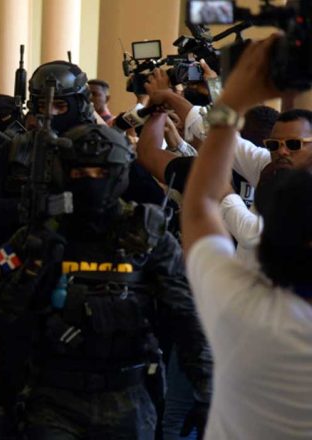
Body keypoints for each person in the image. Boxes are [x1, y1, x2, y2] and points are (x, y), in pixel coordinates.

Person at [0, 123, 212, 439]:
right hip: (52, 397)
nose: (91, 181)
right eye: (80, 172)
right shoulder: (37, 236)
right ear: (64, 173)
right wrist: (33, 269)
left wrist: (207, 390)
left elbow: (186, 318)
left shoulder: (148, 238)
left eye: (101, 172)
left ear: (119, 174)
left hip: (128, 396)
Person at [182, 33, 312, 440]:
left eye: (294, 145)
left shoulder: (239, 307)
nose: (282, 153)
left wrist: (233, 98)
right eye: (275, 145)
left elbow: (201, 204)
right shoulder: (267, 163)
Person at [0, 60, 97, 440]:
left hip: (81, 284)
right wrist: (27, 210)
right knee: (13, 386)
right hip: (24, 282)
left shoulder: (100, 150)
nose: (51, 114)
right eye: (43, 106)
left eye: (60, 106)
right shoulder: (12, 149)